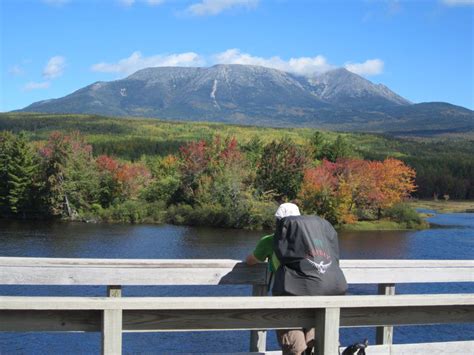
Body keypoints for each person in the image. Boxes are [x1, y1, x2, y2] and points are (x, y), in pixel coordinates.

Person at [246, 203, 347, 355]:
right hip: (319, 298)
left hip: (288, 300)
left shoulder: (270, 241)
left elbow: (251, 260)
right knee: (319, 342)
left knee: (295, 347)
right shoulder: (317, 243)